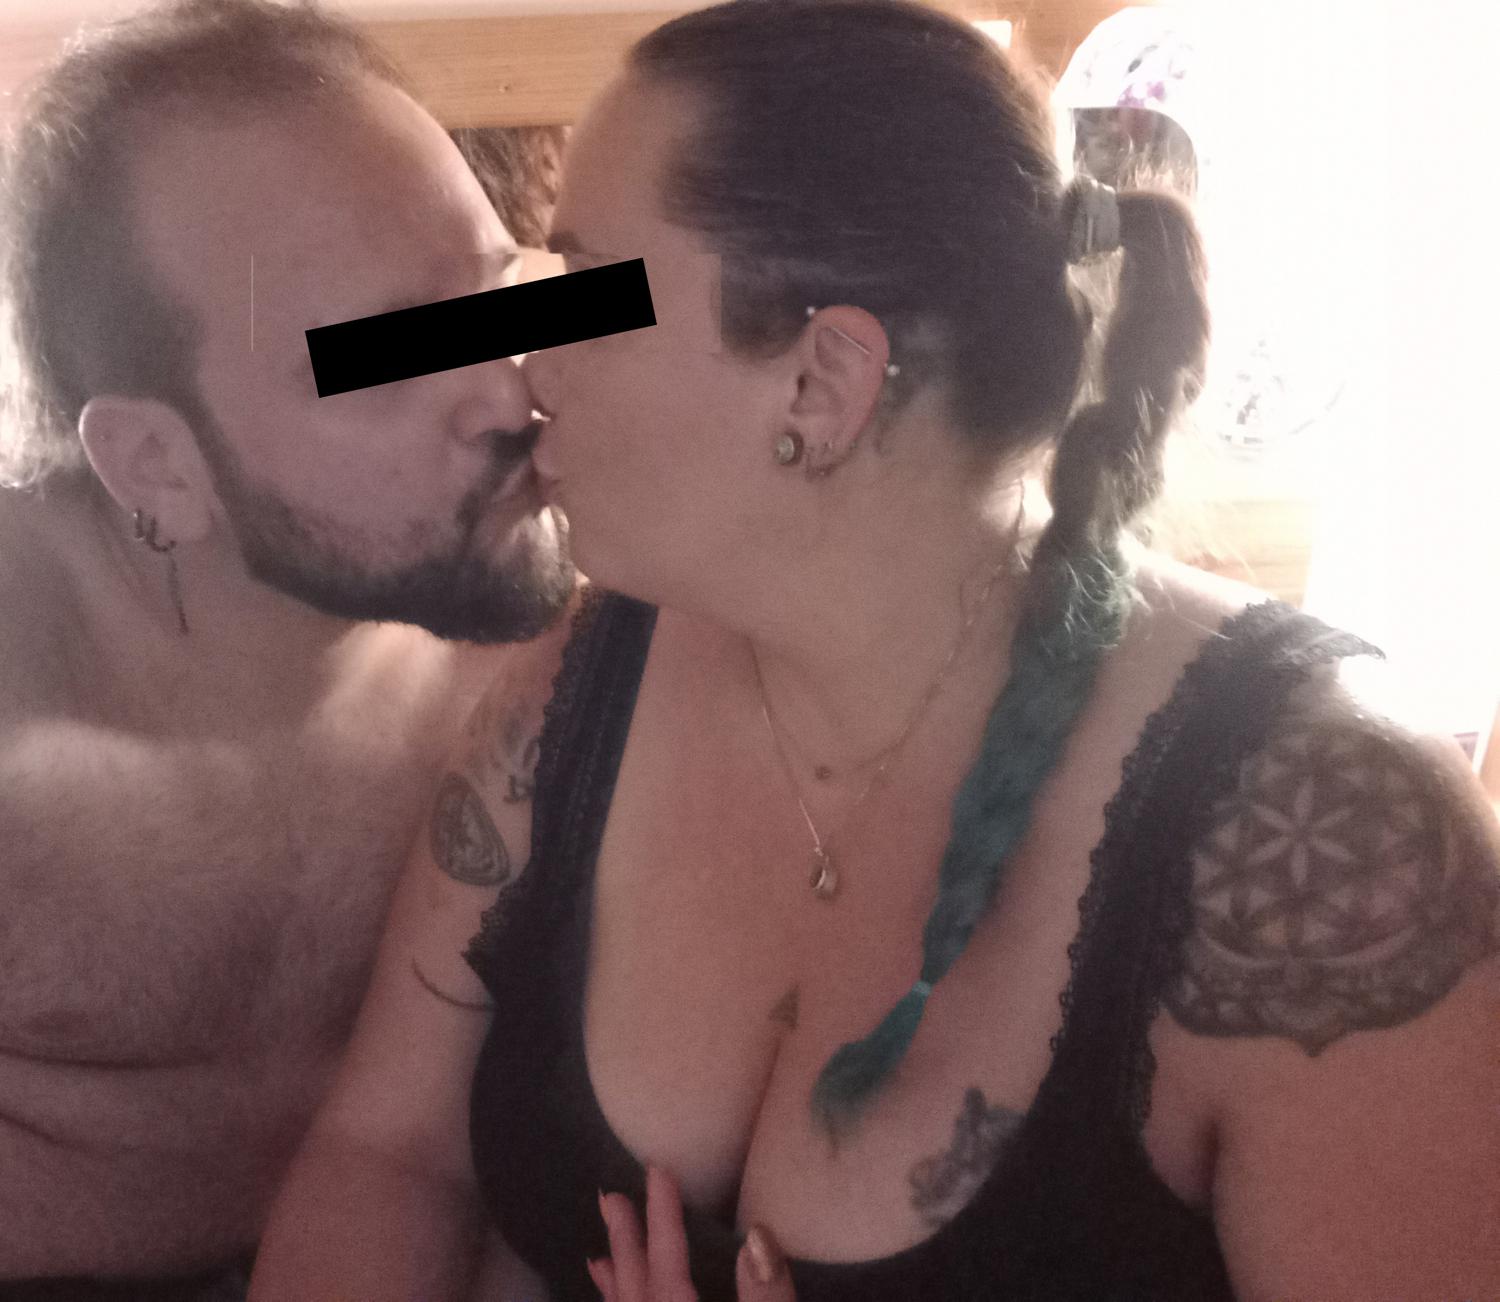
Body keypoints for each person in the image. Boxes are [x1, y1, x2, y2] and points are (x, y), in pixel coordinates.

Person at [253, 1, 1500, 1298]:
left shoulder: (1330, 833)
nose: (525, 371)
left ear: (823, 384)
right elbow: (386, 1153)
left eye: (588, 292)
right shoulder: (583, 683)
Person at [0, 0, 574, 1289]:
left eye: (493, 296)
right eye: (387, 363)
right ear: (156, 463)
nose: (507, 395)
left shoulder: (570, 638)